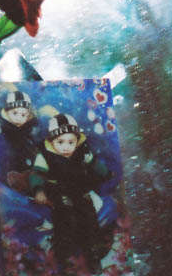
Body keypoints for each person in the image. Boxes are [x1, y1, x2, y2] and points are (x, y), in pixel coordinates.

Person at [29, 111, 111, 273]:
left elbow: (97, 167)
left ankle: (93, 250)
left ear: (77, 141)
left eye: (70, 142)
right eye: (60, 142)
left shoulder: (83, 152)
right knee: (65, 214)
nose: (66, 147)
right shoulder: (45, 155)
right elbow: (37, 174)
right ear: (52, 142)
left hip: (80, 189)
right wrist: (38, 190)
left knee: (88, 213)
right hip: (58, 191)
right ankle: (65, 254)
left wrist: (105, 173)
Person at [0, 87, 40, 194]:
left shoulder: (28, 131)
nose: (18, 118)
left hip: (30, 172)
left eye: (23, 115)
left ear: (28, 115)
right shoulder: (2, 130)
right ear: (7, 112)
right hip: (11, 171)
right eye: (15, 113)